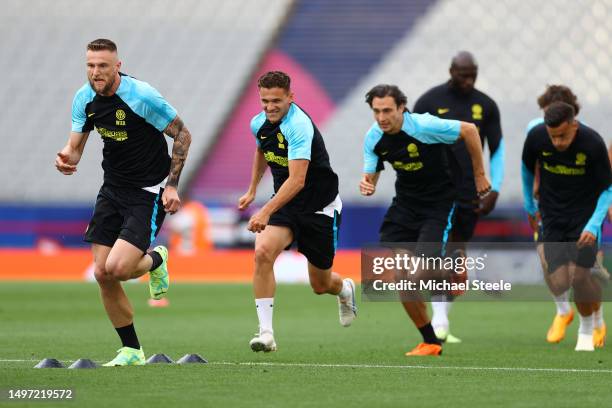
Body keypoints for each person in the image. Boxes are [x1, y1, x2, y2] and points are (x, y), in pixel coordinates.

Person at [55, 39, 192, 365]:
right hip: (112, 190)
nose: (95, 72)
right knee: (103, 273)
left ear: (117, 65)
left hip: (148, 192)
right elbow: (75, 146)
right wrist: (66, 158)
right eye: (90, 65)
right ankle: (131, 350)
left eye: (102, 65)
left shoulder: (141, 96)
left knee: (119, 267)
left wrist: (172, 186)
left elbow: (183, 135)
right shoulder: (84, 98)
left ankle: (156, 261)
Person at [360, 84, 490, 356]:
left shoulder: (424, 125)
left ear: (401, 107)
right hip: (404, 207)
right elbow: (371, 172)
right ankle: (430, 341)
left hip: (439, 205)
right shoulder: (373, 137)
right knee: (402, 279)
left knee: (419, 274)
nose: (382, 117)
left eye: (387, 110)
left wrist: (479, 175)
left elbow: (470, 130)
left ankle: (452, 269)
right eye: (376, 111)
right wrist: (368, 183)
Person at [238, 71, 356, 352]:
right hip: (286, 204)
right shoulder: (260, 123)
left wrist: (264, 210)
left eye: (276, 101)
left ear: (291, 97)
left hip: (319, 208)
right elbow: (261, 150)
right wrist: (253, 188)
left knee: (320, 284)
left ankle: (344, 290)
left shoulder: (299, 126)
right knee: (263, 252)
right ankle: (266, 333)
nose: (270, 107)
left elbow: (297, 180)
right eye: (265, 101)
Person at [413, 51, 504, 343]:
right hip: (437, 191)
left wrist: (495, 188)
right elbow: (413, 144)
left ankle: (442, 317)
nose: (468, 80)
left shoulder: (486, 105)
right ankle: (438, 320)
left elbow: (497, 149)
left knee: (456, 258)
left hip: (470, 194)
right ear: (451, 70)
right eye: (462, 74)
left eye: (472, 75)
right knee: (439, 253)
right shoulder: (429, 102)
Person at [522, 101, 610, 351]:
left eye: (562, 136)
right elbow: (527, 170)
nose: (557, 142)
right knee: (559, 281)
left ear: (574, 124)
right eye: (553, 137)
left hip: (584, 217)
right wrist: (530, 205)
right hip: (552, 216)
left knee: (580, 277)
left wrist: (593, 226)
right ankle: (571, 311)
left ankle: (587, 328)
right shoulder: (537, 137)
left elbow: (607, 189)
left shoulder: (592, 143)